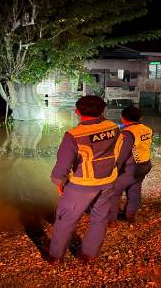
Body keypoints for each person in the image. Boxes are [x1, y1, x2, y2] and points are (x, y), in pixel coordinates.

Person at [46, 96, 120, 264]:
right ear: (103, 111)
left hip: (81, 185)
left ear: (77, 112)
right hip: (108, 181)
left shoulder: (73, 135)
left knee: (65, 220)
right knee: (100, 219)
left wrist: (58, 182)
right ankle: (89, 254)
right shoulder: (114, 127)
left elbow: (63, 164)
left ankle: (56, 256)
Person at [108, 106, 153, 226]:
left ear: (123, 118)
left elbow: (122, 154)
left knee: (114, 192)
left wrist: (115, 169)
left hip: (130, 168)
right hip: (144, 165)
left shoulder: (127, 133)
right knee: (134, 190)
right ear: (139, 117)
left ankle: (111, 220)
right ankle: (129, 215)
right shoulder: (146, 129)